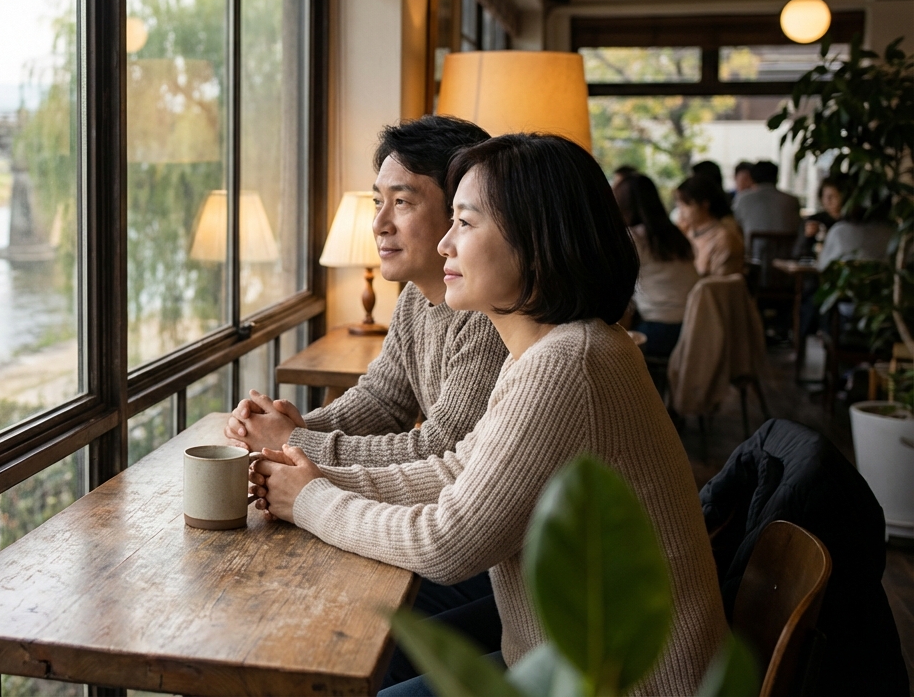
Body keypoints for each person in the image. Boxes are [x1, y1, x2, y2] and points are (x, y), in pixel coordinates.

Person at [248, 133, 728, 696]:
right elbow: (455, 474)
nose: (447, 244)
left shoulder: (568, 363)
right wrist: (307, 475)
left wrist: (309, 498)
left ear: (537, 242)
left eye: (466, 224)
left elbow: (447, 544)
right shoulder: (554, 350)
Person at [224, 114, 510, 619]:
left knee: (331, 608)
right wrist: (295, 426)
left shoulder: (489, 317)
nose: (379, 222)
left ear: (460, 212)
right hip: (481, 552)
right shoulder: (416, 299)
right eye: (379, 201)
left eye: (401, 202)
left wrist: (292, 445)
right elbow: (382, 398)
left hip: (498, 565)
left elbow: (441, 450)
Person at [614, 173, 697, 358]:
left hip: (660, 331)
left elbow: (615, 292)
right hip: (694, 329)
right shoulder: (675, 235)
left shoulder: (633, 238)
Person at [675, 175, 745, 276]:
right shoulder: (689, 232)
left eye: (686, 205)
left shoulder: (723, 237)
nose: (681, 212)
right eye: (679, 206)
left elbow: (719, 284)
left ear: (704, 204)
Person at [732, 159, 802, 243]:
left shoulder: (742, 199)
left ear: (753, 178)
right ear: (776, 177)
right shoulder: (792, 200)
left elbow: (734, 228)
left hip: (751, 254)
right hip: (787, 254)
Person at [795, 178, 842, 260]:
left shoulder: (849, 222)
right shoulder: (814, 220)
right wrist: (807, 236)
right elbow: (798, 253)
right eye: (824, 196)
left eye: (833, 196)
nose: (828, 201)